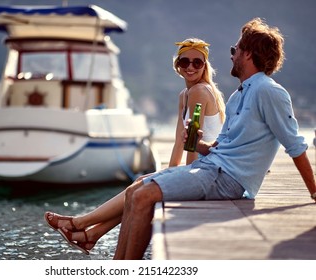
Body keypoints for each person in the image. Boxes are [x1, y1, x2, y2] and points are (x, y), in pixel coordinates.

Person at [107, 17, 316, 259]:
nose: (231, 55)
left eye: (235, 50)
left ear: (248, 54)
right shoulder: (239, 95)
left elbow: (295, 145)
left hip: (227, 178)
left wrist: (313, 192)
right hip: (212, 168)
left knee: (144, 195)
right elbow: (220, 147)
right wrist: (198, 143)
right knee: (136, 190)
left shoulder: (269, 91)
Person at [44, 38, 226, 255]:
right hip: (198, 166)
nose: (190, 67)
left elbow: (192, 143)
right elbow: (180, 139)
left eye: (197, 62)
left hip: (205, 170)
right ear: (177, 65)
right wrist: (170, 169)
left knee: (141, 185)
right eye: (185, 61)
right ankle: (89, 235)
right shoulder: (185, 95)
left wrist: (180, 175)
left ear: (205, 66)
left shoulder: (200, 91)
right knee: (141, 183)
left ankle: (81, 225)